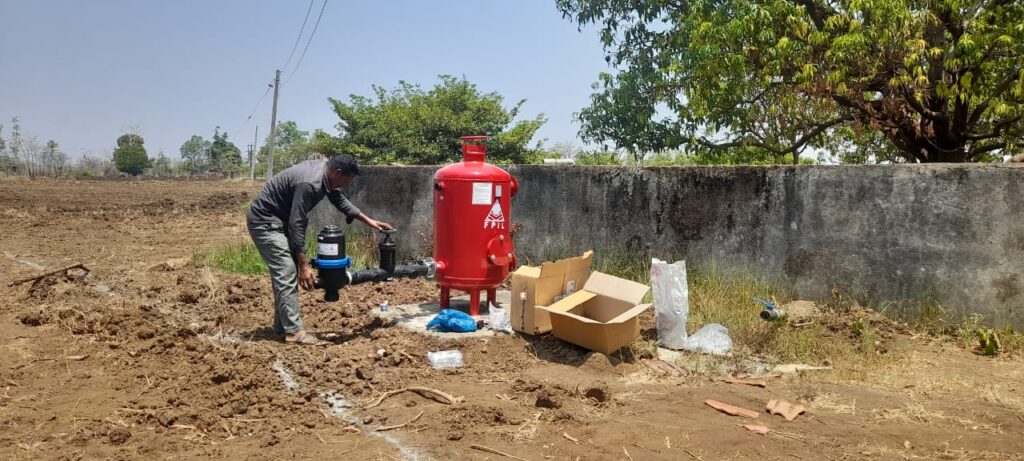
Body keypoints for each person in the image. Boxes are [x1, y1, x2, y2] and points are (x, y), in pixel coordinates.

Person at [246, 154, 392, 345]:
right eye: (346, 180)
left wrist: (368, 221)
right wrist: (304, 265)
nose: (346, 185)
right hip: (265, 222)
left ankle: (283, 328)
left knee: (285, 274)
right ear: (337, 173)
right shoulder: (309, 184)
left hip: (280, 221)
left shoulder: (325, 172)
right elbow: (297, 223)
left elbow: (338, 198)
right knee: (286, 271)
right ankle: (294, 332)